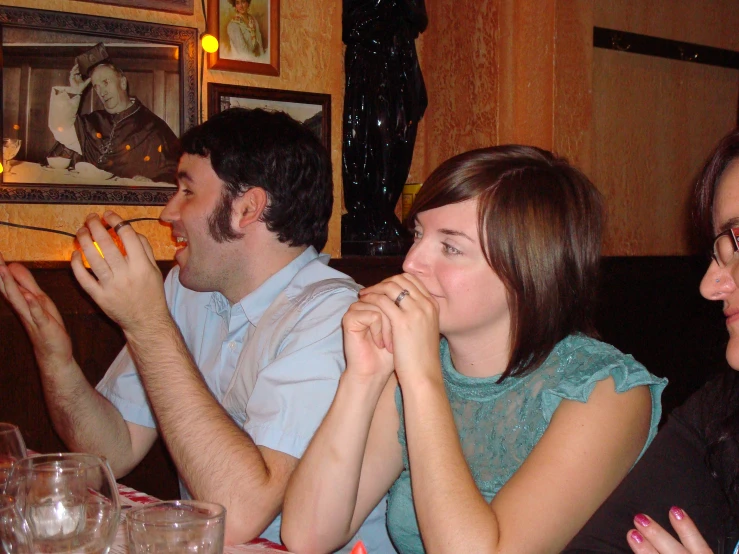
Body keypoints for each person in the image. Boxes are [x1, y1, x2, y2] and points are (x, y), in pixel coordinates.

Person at [0, 108, 394, 552]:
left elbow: (240, 513)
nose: (169, 212)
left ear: (248, 208)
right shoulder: (186, 290)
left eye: (187, 191)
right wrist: (57, 359)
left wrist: (147, 325)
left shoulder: (334, 316)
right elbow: (111, 452)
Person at [281, 145, 667, 554]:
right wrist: (363, 377)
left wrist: (422, 378)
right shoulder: (419, 373)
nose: (411, 262)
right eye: (418, 235)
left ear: (526, 269)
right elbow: (308, 536)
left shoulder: (607, 391)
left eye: (450, 247)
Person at [565, 127, 739, 554]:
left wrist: (423, 382)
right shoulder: (721, 411)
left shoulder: (606, 385)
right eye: (719, 252)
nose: (709, 285)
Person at [48, 61, 180, 183]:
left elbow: (175, 171)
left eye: (106, 82)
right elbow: (61, 128)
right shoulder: (93, 121)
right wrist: (75, 92)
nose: (102, 92)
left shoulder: (152, 126)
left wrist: (151, 183)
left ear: (123, 83)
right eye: (96, 87)